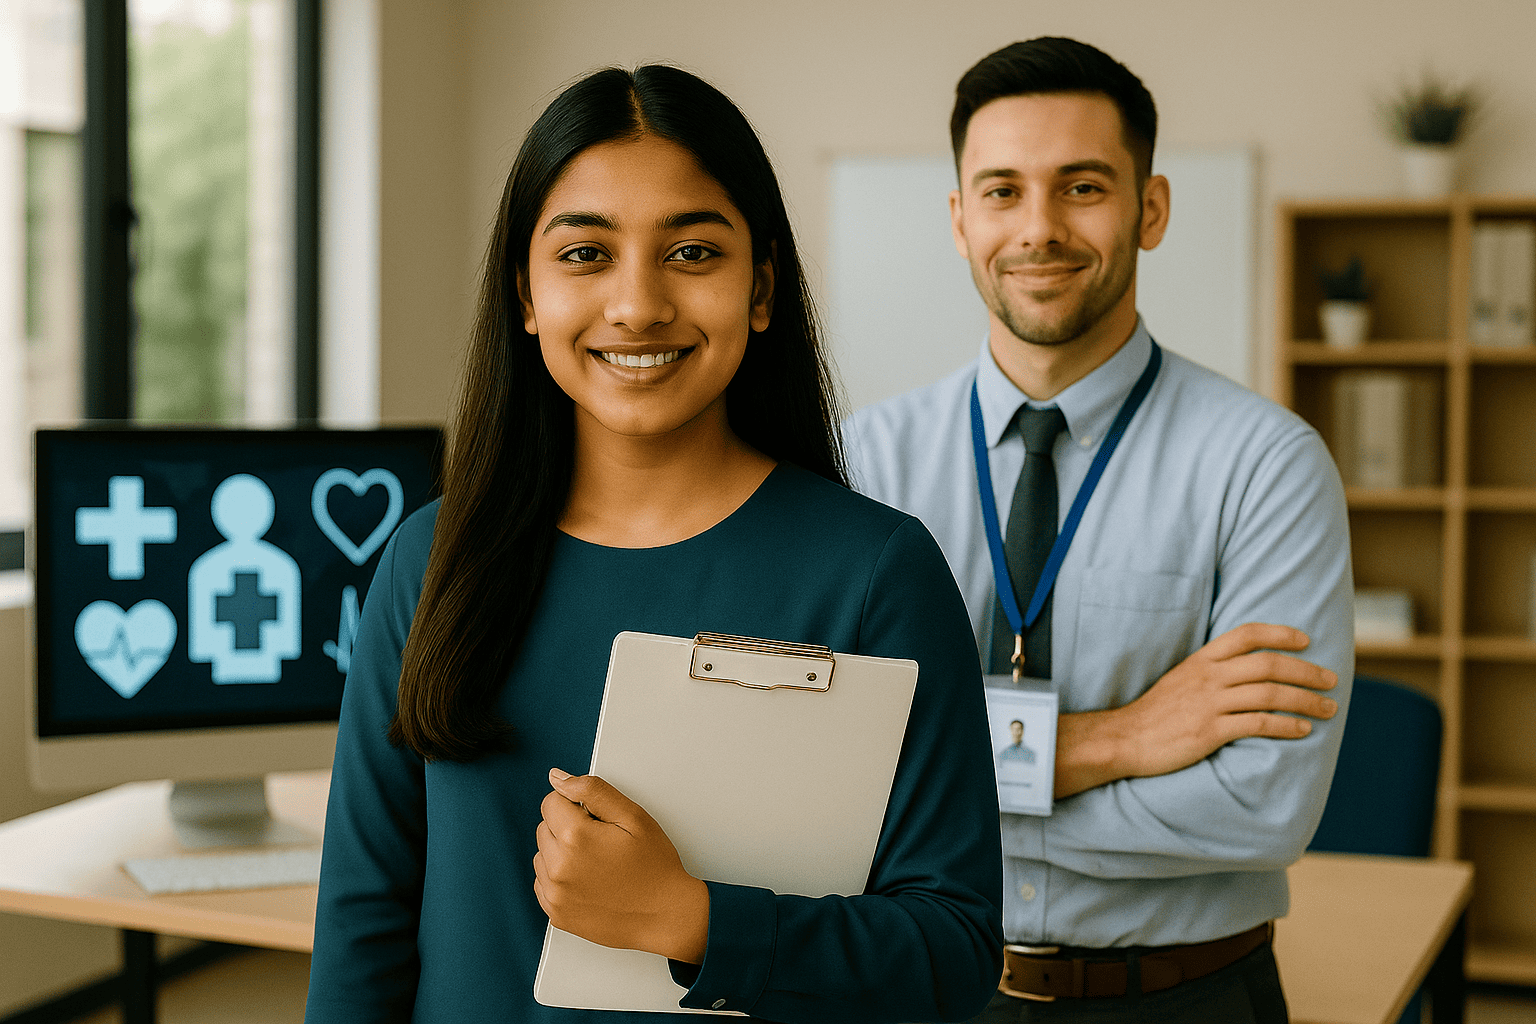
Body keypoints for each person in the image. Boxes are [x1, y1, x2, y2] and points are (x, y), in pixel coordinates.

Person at [304, 65, 1003, 1024]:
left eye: (692, 252)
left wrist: (695, 920)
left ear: (761, 290)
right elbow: (361, 927)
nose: (637, 305)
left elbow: (952, 955)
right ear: (526, 294)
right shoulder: (431, 561)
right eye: (586, 254)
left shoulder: (877, 574)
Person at [842, 38, 1354, 1022]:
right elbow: (826, 771)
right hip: (925, 992)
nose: (1039, 228)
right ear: (958, 219)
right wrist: (1124, 739)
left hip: (1182, 996)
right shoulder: (866, 463)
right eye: (1001, 191)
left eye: (1082, 187)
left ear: (1149, 208)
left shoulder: (1267, 466)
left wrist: (935, 793)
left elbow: (1263, 808)